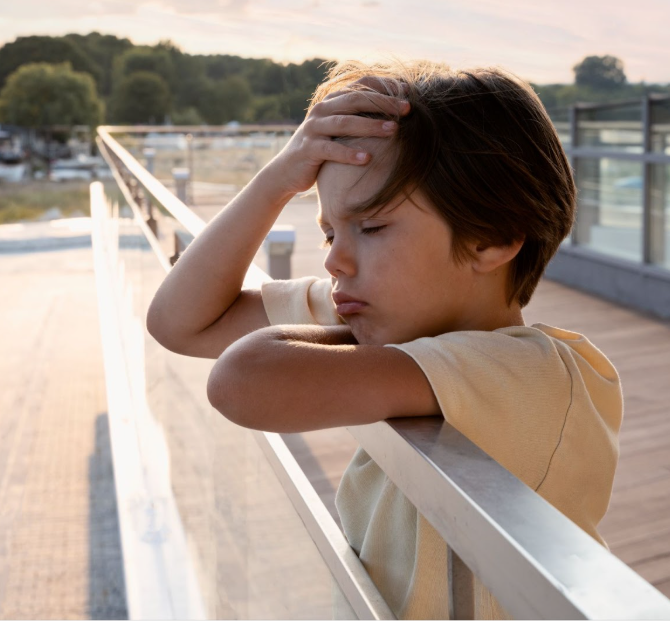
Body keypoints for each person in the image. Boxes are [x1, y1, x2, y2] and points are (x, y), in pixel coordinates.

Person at [146, 59, 623, 619]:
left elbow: (240, 378)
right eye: (330, 232)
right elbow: (180, 323)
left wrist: (355, 341)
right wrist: (279, 178)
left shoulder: (540, 372)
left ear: (490, 239)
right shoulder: (383, 312)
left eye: (371, 227)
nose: (334, 260)